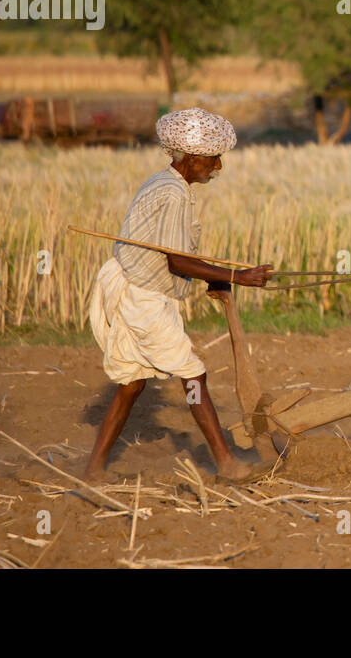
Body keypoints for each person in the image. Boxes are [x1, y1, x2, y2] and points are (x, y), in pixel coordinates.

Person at [83, 108, 272, 483]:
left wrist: (215, 278)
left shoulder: (165, 183)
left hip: (137, 290)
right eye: (212, 158)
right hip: (144, 297)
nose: (218, 166)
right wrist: (238, 276)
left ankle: (91, 470)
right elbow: (176, 261)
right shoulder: (172, 193)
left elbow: (177, 255)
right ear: (189, 159)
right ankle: (227, 463)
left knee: (132, 386)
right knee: (193, 376)